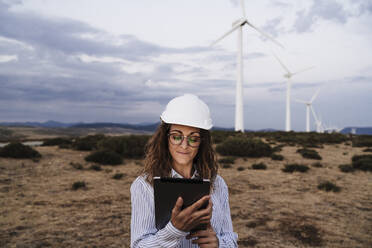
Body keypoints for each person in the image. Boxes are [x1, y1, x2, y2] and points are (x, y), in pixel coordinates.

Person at [130, 94, 238, 247]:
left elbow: (230, 238)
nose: (184, 145)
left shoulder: (217, 183)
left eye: (193, 138)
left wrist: (219, 244)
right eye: (176, 136)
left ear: (202, 142)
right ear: (165, 138)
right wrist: (174, 230)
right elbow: (138, 245)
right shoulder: (144, 186)